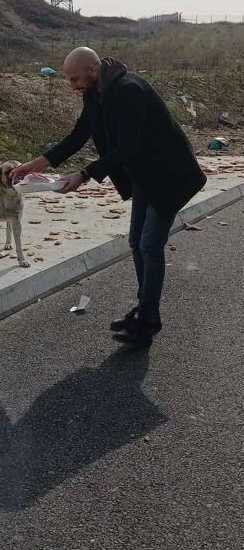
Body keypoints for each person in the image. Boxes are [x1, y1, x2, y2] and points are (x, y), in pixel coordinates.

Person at [12, 47, 207, 348]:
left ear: (92, 71)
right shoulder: (96, 93)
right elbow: (79, 134)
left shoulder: (130, 91)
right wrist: (36, 165)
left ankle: (147, 321)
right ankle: (146, 310)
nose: (72, 85)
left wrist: (83, 175)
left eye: (75, 78)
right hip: (145, 175)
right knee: (135, 242)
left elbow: (127, 148)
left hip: (170, 176)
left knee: (150, 245)